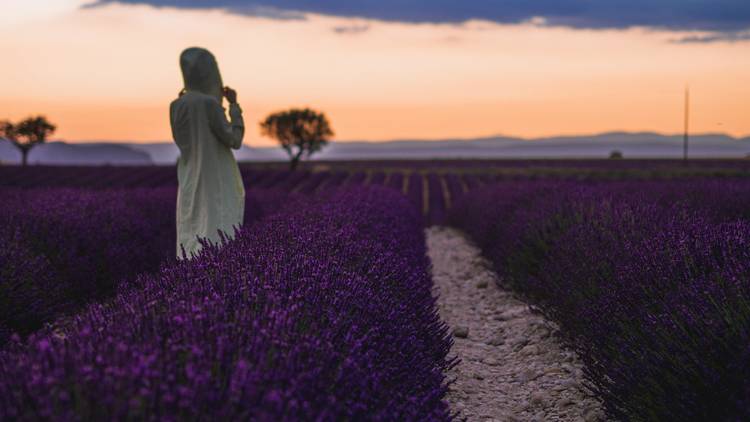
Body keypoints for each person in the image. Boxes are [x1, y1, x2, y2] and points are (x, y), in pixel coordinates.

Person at [170, 47, 245, 258]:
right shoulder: (209, 104)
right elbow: (234, 140)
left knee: (191, 227)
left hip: (189, 177)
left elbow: (181, 139)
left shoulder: (176, 106)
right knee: (217, 226)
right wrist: (234, 106)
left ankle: (189, 281)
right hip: (215, 177)